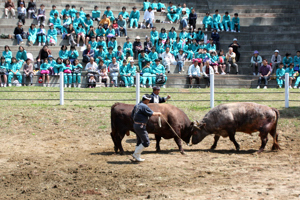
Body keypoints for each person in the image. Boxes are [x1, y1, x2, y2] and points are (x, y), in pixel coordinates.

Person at [131, 94, 162, 162]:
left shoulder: (137, 105)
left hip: (136, 125)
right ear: (147, 100)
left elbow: (132, 115)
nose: (149, 102)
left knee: (139, 140)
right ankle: (136, 154)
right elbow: (151, 113)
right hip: (141, 126)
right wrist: (159, 113)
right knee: (146, 142)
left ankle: (137, 156)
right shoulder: (144, 106)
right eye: (149, 101)